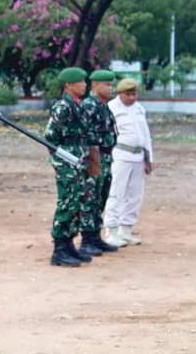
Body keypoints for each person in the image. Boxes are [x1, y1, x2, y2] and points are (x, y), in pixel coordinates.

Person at [45, 67, 96, 267]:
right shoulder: (62, 107)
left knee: (76, 202)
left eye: (84, 82)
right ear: (68, 85)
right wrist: (62, 160)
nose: (84, 85)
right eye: (80, 82)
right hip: (67, 161)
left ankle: (69, 244)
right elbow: (50, 137)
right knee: (67, 202)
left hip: (79, 160)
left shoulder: (78, 105)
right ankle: (59, 249)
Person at [104, 78, 153, 246]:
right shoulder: (111, 108)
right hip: (120, 154)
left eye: (134, 94)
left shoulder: (139, 109)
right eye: (128, 94)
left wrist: (149, 159)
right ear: (120, 94)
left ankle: (126, 230)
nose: (132, 98)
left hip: (138, 156)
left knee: (134, 195)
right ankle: (111, 231)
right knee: (116, 192)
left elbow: (145, 135)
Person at [79, 69, 120, 256]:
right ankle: (87, 239)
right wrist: (92, 161)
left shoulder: (103, 106)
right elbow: (85, 135)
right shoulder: (89, 105)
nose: (111, 88)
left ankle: (95, 237)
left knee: (100, 197)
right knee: (90, 198)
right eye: (107, 84)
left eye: (112, 84)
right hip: (94, 156)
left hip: (106, 157)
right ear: (95, 85)